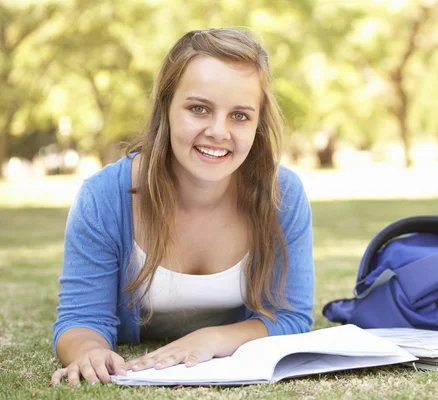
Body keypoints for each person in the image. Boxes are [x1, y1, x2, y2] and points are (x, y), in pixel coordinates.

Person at [50, 28, 315, 386]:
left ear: (258, 122)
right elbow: (81, 320)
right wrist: (89, 352)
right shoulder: (103, 197)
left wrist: (212, 339)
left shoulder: (282, 194)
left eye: (240, 115)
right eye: (198, 109)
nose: (219, 131)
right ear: (166, 107)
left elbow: (291, 317)